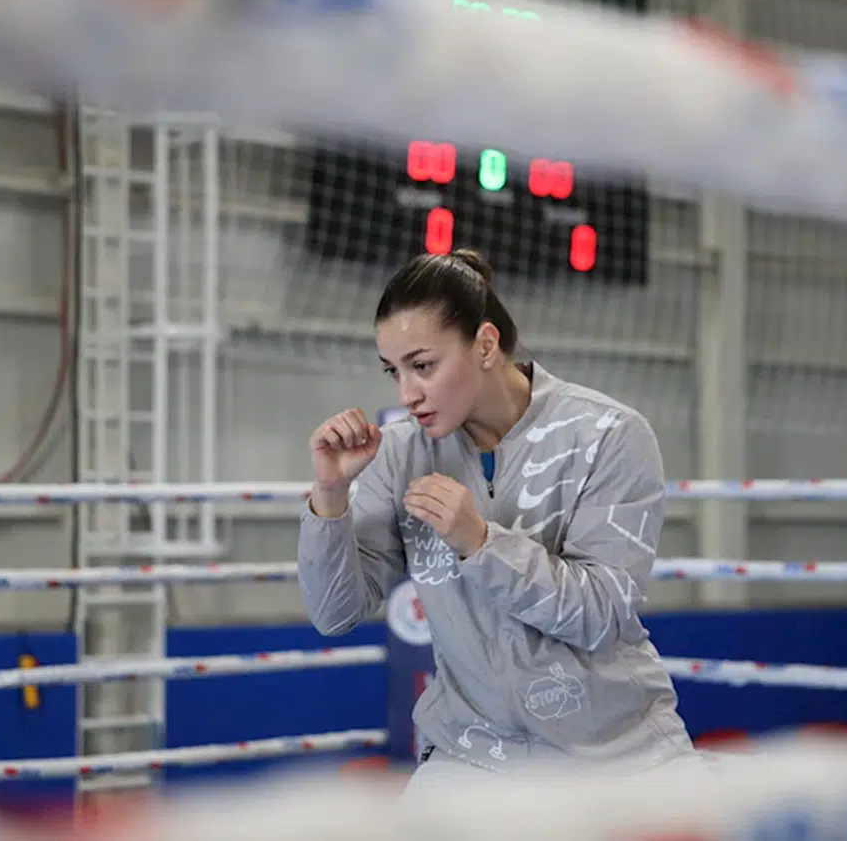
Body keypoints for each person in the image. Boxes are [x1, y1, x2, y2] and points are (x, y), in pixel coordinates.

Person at [296, 248, 699, 794]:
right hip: (473, 758)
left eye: (423, 365)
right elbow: (333, 613)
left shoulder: (610, 434)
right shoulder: (396, 453)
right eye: (394, 372)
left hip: (617, 757)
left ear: (486, 345)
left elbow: (602, 613)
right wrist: (330, 494)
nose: (407, 394)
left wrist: (481, 543)